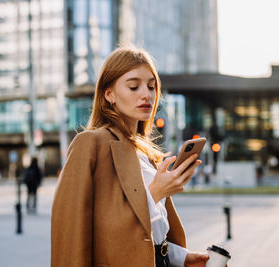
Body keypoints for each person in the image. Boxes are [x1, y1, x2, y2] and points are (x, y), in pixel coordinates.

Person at [51, 45, 210, 267]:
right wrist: (155, 193)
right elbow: (74, 233)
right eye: (134, 86)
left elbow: (150, 235)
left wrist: (180, 257)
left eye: (152, 86)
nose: (146, 94)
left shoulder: (148, 155)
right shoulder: (90, 144)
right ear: (109, 94)